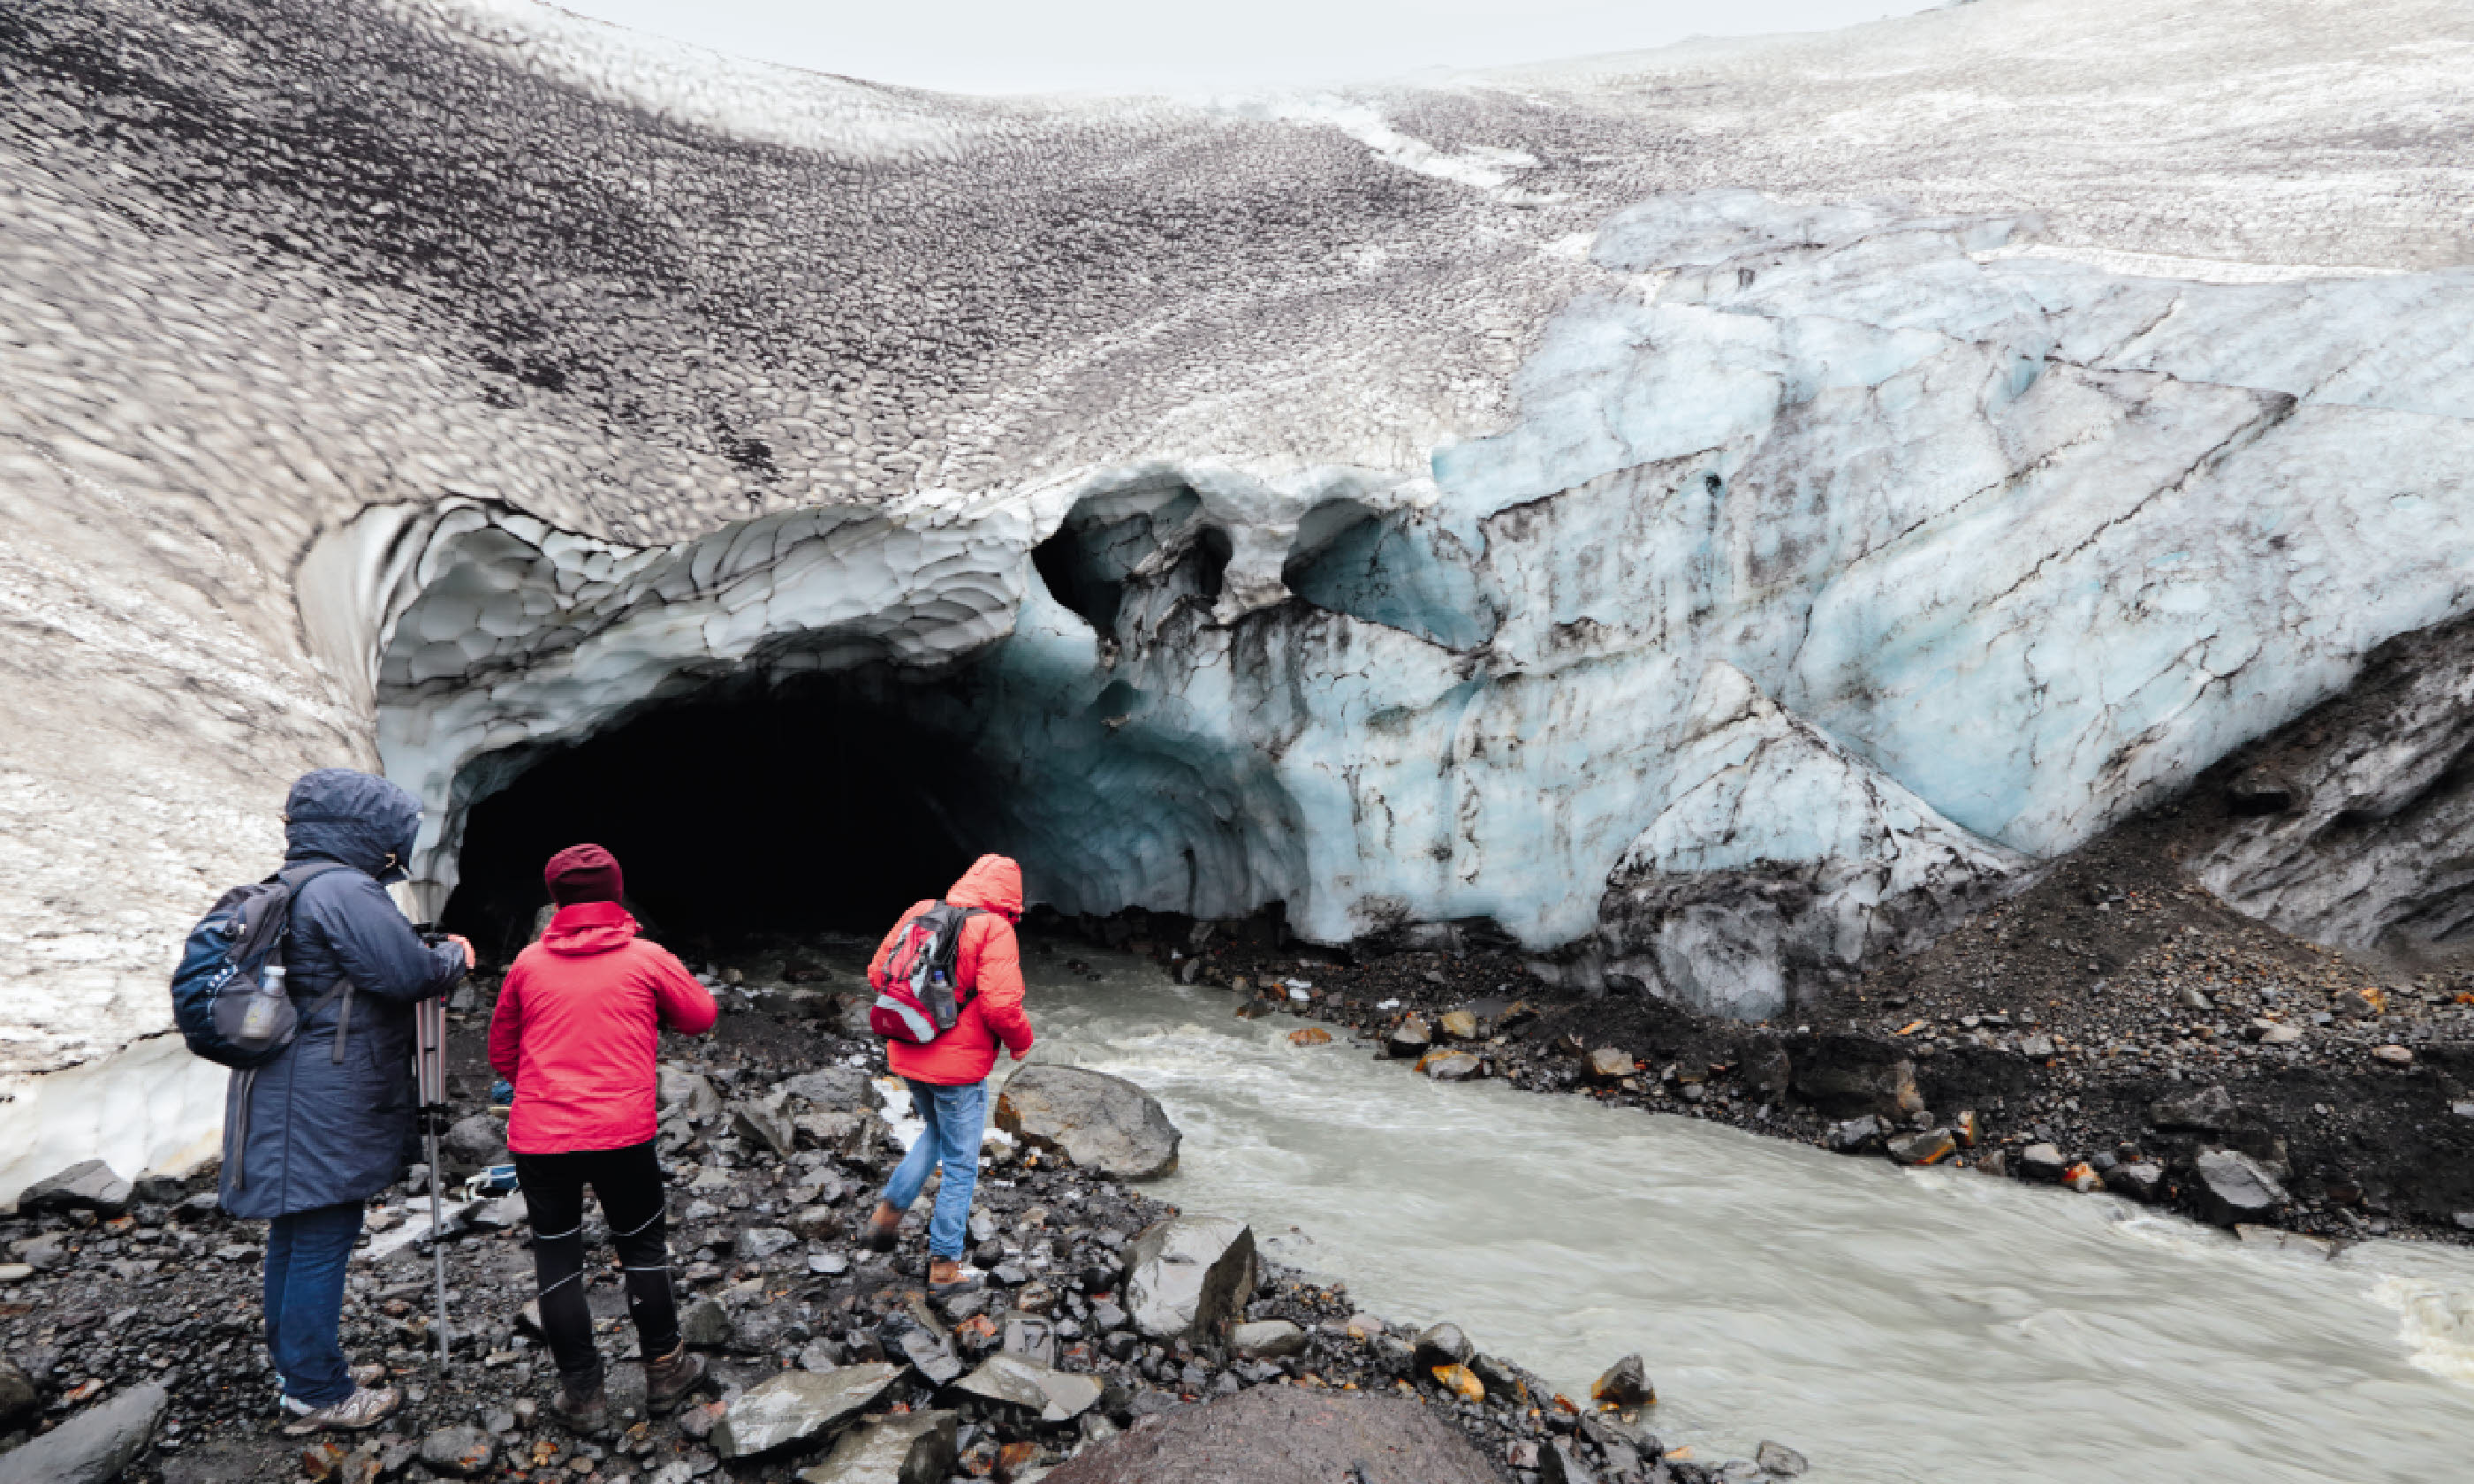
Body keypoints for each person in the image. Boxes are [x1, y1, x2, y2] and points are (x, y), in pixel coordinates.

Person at [219, 768, 474, 1436]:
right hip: (325, 1095)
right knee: (323, 1238)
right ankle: (318, 1391)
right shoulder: (343, 889)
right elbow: (405, 974)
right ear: (366, 830)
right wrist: (453, 955)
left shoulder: (291, 884)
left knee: (296, 1231)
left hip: (281, 1082)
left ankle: (299, 1370)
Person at [488, 844, 717, 1427]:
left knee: (557, 1258)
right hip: (622, 1133)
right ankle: (665, 1371)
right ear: (616, 892)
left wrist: (545, 1087)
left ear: (555, 899)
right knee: (640, 1248)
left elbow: (501, 1053)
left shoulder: (527, 964)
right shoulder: (646, 957)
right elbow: (701, 1016)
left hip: (541, 1136)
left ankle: (583, 1396)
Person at [861, 854, 1035, 1287]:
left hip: (908, 1050)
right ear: (1011, 897)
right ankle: (945, 1264)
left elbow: (877, 974)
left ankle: (887, 1215)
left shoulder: (920, 911)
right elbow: (1001, 1006)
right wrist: (1020, 1043)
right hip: (958, 1069)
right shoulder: (995, 929)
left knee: (936, 1134)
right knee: (961, 1163)